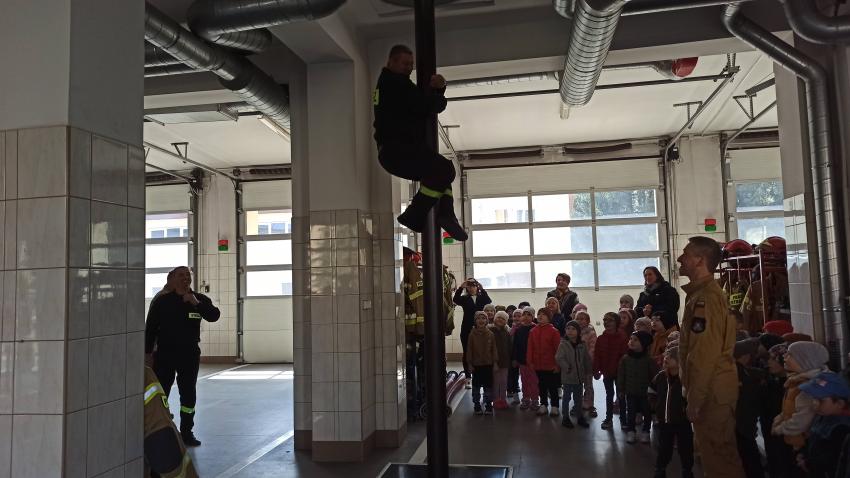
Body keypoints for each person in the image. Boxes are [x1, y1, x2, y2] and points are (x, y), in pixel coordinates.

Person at [372, 44, 466, 240]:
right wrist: (440, 92)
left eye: (411, 64)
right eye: (405, 63)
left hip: (394, 151)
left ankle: (445, 215)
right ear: (391, 62)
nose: (409, 68)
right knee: (445, 170)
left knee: (441, 172)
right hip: (397, 151)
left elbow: (419, 104)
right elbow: (427, 105)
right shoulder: (396, 84)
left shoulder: (390, 83)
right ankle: (416, 214)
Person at [677, 236, 745, 477]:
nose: (680, 259)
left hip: (711, 392)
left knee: (720, 459)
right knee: (714, 455)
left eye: (685, 254)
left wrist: (695, 398)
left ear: (700, 260)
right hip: (711, 389)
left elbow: (704, 354)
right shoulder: (701, 294)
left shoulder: (706, 299)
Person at [145, 266, 221, 447]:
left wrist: (196, 303)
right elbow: (151, 329)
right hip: (165, 354)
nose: (185, 278)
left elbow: (214, 316)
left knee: (188, 394)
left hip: (189, 354)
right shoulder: (163, 301)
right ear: (172, 279)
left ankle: (187, 432)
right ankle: (162, 429)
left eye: (188, 275)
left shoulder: (199, 299)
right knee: (161, 392)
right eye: (181, 275)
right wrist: (147, 354)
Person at [772, 341, 830, 451]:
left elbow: (802, 420)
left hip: (806, 442)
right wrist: (780, 418)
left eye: (790, 354)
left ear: (804, 360)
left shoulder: (810, 386)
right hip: (800, 439)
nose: (784, 356)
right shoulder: (798, 379)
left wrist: (780, 428)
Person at [648, 346, 694, 478]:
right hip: (665, 420)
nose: (666, 358)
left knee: (685, 448)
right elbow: (651, 391)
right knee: (664, 447)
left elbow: (693, 396)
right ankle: (660, 469)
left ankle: (687, 470)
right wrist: (655, 406)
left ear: (681, 361)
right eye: (666, 355)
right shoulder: (661, 376)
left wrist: (687, 409)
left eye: (671, 357)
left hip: (683, 421)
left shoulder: (686, 379)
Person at [799, 372, 850, 478]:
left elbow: (833, 461)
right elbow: (813, 438)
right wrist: (803, 453)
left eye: (820, 400)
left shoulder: (842, 428)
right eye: (813, 398)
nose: (814, 403)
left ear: (839, 404)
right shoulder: (823, 414)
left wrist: (809, 464)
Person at [734, 339, 766, 478]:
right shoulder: (739, 373)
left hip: (741, 422)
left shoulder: (741, 370)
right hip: (742, 423)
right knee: (750, 459)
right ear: (746, 356)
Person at [618, 330, 656, 444]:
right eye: (631, 339)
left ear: (643, 343)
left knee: (647, 413)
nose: (631, 341)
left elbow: (654, 376)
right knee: (631, 413)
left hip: (646, 393)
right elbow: (621, 375)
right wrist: (620, 389)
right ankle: (631, 431)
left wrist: (654, 390)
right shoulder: (625, 359)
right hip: (630, 392)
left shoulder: (649, 360)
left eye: (635, 340)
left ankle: (646, 431)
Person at [594, 312, 628, 430]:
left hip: (620, 373)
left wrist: (623, 372)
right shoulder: (601, 338)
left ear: (617, 322)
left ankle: (623, 419)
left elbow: (625, 357)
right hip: (607, 372)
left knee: (621, 396)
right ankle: (608, 418)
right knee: (609, 395)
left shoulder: (623, 338)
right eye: (605, 320)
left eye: (610, 320)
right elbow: (597, 356)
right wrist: (596, 370)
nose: (606, 322)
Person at [556, 320, 592, 429]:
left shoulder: (582, 345)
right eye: (568, 329)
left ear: (578, 331)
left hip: (579, 378)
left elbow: (586, 359)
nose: (570, 331)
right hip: (568, 377)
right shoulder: (563, 344)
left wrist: (589, 371)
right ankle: (565, 417)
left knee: (578, 398)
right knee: (566, 398)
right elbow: (559, 358)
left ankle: (579, 416)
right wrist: (567, 367)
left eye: (573, 329)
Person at [527, 308, 562, 417]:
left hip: (551, 365)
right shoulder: (533, 331)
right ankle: (543, 404)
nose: (540, 316)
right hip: (538, 365)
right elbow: (530, 348)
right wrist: (530, 362)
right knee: (541, 386)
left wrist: (557, 364)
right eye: (539, 314)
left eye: (544, 314)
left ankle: (555, 406)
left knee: (552, 386)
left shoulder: (554, 331)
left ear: (549, 318)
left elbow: (558, 349)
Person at [453, 278, 492, 375]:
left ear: (476, 287)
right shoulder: (464, 298)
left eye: (473, 286)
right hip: (467, 328)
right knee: (467, 351)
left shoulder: (481, 297)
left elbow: (488, 301)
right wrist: (461, 288)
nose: (471, 288)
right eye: (469, 286)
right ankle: (467, 375)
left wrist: (482, 289)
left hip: (481, 328)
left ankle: (479, 373)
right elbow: (455, 299)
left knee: (480, 350)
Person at [467, 311, 497, 415]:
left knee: (488, 386)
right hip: (476, 365)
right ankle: (476, 404)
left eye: (483, 318)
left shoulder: (490, 334)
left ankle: (488, 404)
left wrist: (495, 363)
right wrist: (469, 364)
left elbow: (494, 349)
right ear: (475, 321)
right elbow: (469, 350)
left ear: (487, 321)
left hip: (488, 365)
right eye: (478, 318)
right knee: (476, 386)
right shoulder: (472, 334)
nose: (481, 320)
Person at [513, 307, 539, 410]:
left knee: (534, 381)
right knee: (524, 381)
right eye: (524, 314)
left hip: (533, 361)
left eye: (529, 315)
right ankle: (526, 399)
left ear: (533, 317)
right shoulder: (519, 329)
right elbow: (516, 345)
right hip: (522, 360)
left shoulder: (536, 329)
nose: (526, 317)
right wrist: (515, 359)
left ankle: (535, 400)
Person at [575, 310, 597, 418]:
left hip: (587, 363)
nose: (580, 321)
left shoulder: (591, 332)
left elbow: (593, 348)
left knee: (588, 384)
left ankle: (589, 402)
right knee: (577, 384)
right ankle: (578, 402)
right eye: (578, 319)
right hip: (575, 363)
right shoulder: (573, 331)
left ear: (588, 321)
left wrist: (588, 360)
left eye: (582, 319)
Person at [491, 311, 513, 410]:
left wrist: (511, 359)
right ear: (495, 318)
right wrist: (493, 361)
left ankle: (503, 399)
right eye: (498, 317)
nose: (500, 319)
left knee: (504, 381)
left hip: (505, 362)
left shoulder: (506, 333)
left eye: (503, 319)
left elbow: (510, 347)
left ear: (506, 322)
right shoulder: (490, 331)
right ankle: (496, 400)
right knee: (496, 382)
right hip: (494, 362)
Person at [507, 308, 523, 403]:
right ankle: (514, 392)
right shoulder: (511, 328)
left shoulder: (525, 328)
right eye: (515, 316)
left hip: (523, 355)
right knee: (513, 374)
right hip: (513, 355)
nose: (517, 318)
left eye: (519, 316)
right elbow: (509, 340)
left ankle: (528, 396)